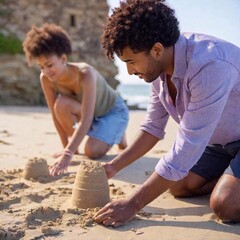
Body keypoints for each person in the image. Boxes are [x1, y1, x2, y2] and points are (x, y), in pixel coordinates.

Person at [94, 0, 240, 227]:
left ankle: (230, 186)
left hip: (225, 139)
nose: (130, 71)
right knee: (177, 185)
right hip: (220, 144)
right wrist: (113, 166)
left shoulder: (210, 64)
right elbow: (152, 128)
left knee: (225, 205)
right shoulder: (158, 70)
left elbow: (189, 142)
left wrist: (132, 204)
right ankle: (229, 177)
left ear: (157, 49)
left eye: (131, 61)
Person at [22, 23, 129, 176]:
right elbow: (55, 115)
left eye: (49, 65)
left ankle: (118, 131)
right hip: (91, 113)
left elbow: (86, 118)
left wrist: (67, 154)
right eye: (41, 67)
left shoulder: (85, 74)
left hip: (113, 111)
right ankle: (108, 134)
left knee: (91, 151)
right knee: (61, 105)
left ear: (63, 58)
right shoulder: (46, 79)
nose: (46, 71)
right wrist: (69, 150)